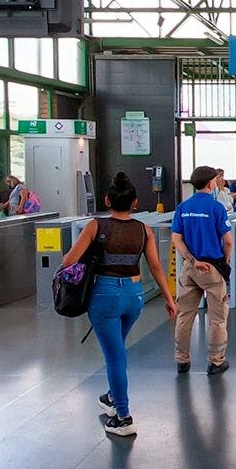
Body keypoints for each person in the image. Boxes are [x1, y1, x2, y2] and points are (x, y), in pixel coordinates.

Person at [60, 172, 179, 437]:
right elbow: (156, 266)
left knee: (115, 355)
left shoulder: (95, 226)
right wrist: (169, 299)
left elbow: (69, 261)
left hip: (105, 296)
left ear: (106, 200)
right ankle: (112, 397)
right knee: (118, 349)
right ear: (135, 203)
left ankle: (123, 417)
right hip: (134, 297)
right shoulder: (143, 229)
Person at [171, 165, 234, 375]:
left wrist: (191, 259)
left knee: (184, 315)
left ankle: (182, 360)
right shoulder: (217, 208)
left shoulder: (182, 208)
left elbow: (176, 239)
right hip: (212, 267)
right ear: (210, 183)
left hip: (189, 268)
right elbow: (228, 241)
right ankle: (216, 362)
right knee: (217, 318)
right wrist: (223, 263)